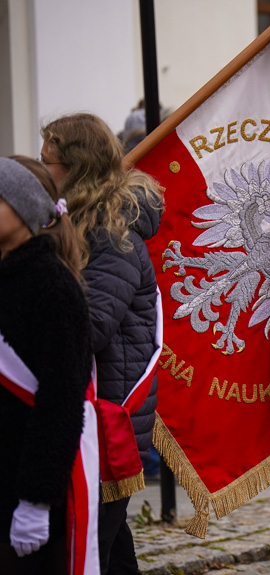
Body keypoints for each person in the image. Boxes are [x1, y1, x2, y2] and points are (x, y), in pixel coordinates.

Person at [41, 113, 164, 575]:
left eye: (46, 162)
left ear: (75, 168)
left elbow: (91, 327)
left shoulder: (113, 235)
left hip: (110, 414)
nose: (40, 171)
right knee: (109, 548)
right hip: (91, 412)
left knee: (91, 547)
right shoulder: (76, 222)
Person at [0, 156, 94, 573]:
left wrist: (35, 499)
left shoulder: (52, 286)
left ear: (25, 210)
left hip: (25, 485)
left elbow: (60, 400)